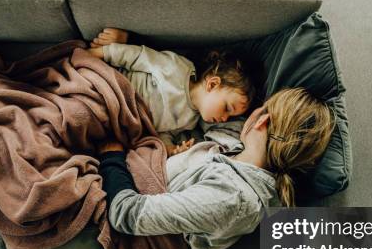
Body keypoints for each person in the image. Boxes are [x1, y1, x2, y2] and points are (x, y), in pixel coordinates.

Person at [98, 88, 335, 249]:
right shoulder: (235, 142)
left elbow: (126, 214)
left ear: (262, 120)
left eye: (260, 108)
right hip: (141, 164)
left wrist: (112, 158)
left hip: (117, 218)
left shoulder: (233, 198)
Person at [88, 28, 259, 156]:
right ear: (212, 84)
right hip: (114, 89)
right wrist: (100, 53)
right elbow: (137, 57)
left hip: (123, 121)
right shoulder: (178, 69)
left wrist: (170, 149)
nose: (224, 119)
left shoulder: (190, 121)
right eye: (227, 108)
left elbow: (163, 132)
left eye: (229, 118)